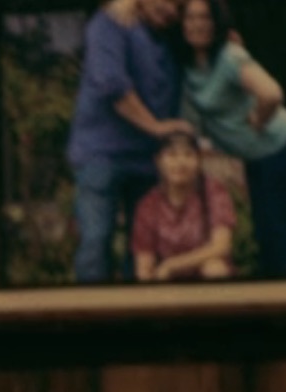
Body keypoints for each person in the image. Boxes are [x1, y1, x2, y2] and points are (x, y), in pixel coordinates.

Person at [177, 0, 286, 277]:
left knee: (280, 243)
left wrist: (259, 119)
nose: (197, 25)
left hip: (284, 150)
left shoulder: (229, 56)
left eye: (205, 18)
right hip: (258, 158)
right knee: (266, 239)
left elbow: (271, 93)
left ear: (217, 24)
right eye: (190, 18)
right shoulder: (189, 65)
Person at [65, 0, 192, 283]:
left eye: (179, 6)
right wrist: (156, 127)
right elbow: (112, 85)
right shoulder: (110, 22)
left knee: (143, 252)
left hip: (147, 162)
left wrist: (227, 39)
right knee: (96, 243)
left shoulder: (170, 38)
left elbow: (206, 36)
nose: (171, 10)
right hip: (101, 156)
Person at [130, 132, 238, 281]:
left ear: (199, 160)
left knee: (214, 268)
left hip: (202, 270)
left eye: (188, 155)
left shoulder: (213, 192)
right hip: (167, 280)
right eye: (172, 155)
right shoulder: (148, 205)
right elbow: (144, 265)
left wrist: (172, 265)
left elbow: (221, 246)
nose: (180, 163)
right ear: (158, 161)